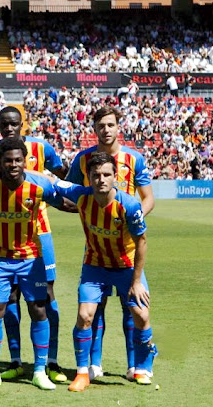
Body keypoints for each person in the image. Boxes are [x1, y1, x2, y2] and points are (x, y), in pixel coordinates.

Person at [0, 106, 69, 384]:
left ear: (23, 123)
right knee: (7, 303)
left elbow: (64, 178)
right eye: (3, 124)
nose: (8, 128)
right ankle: (15, 360)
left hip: (37, 235)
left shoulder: (42, 150)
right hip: (2, 241)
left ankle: (50, 363)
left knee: (45, 300)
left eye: (14, 124)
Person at [53, 152, 157, 391]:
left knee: (141, 316)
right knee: (85, 316)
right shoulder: (80, 195)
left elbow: (142, 241)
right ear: (88, 178)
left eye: (107, 174)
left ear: (115, 176)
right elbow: (50, 182)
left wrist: (137, 281)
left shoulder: (129, 205)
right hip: (95, 266)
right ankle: (82, 373)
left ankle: (142, 365)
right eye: (96, 175)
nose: (101, 179)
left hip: (126, 267)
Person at [66, 105, 154, 381]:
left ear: (118, 127)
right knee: (95, 306)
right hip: (97, 241)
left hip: (126, 238)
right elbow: (70, 192)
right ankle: (93, 364)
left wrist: (131, 217)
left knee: (132, 307)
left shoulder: (134, 158)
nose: (106, 130)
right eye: (100, 126)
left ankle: (134, 365)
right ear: (94, 129)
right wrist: (88, 212)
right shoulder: (83, 160)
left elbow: (148, 197)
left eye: (110, 125)